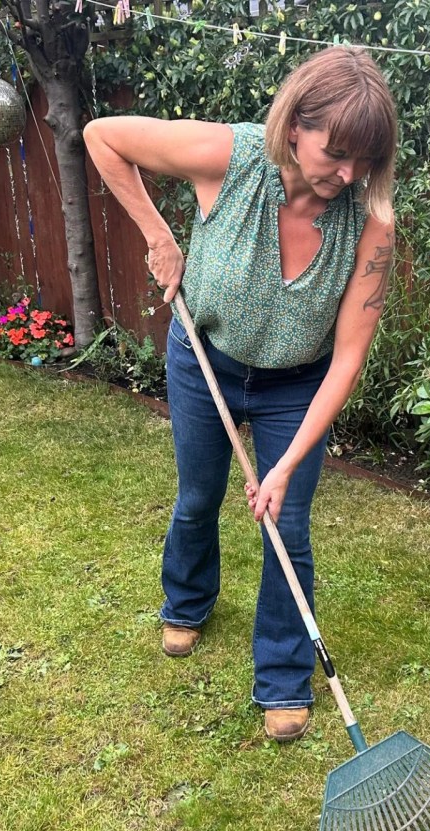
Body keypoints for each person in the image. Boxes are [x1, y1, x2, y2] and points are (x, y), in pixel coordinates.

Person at [83, 45, 397, 743]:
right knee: (198, 496)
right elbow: (101, 137)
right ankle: (187, 602)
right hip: (205, 360)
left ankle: (284, 676)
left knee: (287, 525)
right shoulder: (231, 157)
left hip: (298, 384)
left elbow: (347, 357)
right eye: (336, 153)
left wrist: (284, 466)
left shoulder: (370, 223)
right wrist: (160, 235)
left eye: (364, 161)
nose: (348, 174)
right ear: (295, 128)